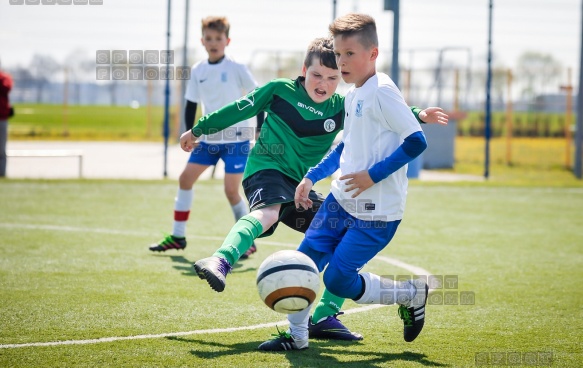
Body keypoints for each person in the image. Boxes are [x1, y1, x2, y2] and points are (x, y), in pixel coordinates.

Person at [180, 36, 447, 342]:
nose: (324, 83)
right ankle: (221, 260)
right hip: (266, 170)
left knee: (336, 236)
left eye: (333, 78)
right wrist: (198, 129)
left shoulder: (342, 106)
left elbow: (380, 113)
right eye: (317, 74)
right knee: (269, 212)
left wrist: (417, 114)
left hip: (300, 186)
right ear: (304, 70)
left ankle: (324, 317)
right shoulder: (279, 90)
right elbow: (237, 110)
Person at [257, 13, 434, 351]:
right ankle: (297, 338)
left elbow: (416, 141)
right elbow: (343, 147)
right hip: (341, 200)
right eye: (338, 54)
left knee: (338, 277)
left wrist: (372, 176)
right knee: (304, 262)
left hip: (377, 212)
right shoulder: (353, 94)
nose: (341, 61)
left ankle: (411, 295)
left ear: (373, 54)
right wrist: (310, 177)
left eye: (349, 54)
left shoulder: (383, 91)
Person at [149, 16, 263, 260]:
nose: (214, 43)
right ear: (202, 41)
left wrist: (260, 128)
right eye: (209, 38)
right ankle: (178, 236)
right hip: (208, 141)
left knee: (231, 191)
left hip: (237, 140)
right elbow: (191, 103)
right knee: (185, 179)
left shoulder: (237, 67)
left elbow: (259, 97)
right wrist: (191, 132)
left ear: (227, 40)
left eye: (218, 38)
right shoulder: (198, 70)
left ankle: (248, 242)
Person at [0, 61, 14, 178]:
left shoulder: (4, 78)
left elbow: (7, 87)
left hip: (2, 118)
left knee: (1, 149)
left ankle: (2, 173)